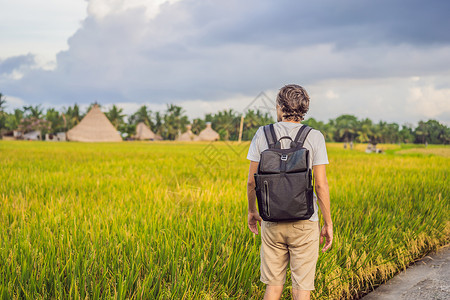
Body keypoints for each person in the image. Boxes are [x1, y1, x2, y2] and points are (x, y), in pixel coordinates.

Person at [246, 84, 333, 300]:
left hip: (271, 221)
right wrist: (328, 223)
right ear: (304, 109)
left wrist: (252, 211)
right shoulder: (314, 136)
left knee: (273, 288)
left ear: (279, 106)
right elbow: (321, 185)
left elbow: (251, 182)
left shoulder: (262, 134)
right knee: (301, 290)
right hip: (305, 224)